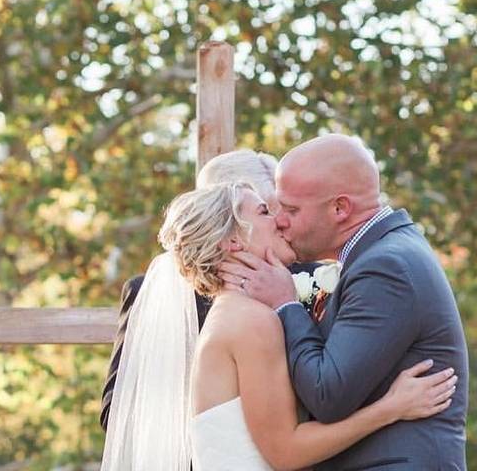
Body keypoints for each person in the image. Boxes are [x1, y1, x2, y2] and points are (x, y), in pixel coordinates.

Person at [101, 181, 457, 470]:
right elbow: (286, 452)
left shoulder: (236, 314)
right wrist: (390, 408)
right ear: (234, 240)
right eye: (264, 211)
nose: (280, 221)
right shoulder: (250, 322)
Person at [220, 134, 469, 470]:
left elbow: (328, 395)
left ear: (340, 208)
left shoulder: (386, 267)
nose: (280, 220)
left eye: (291, 209)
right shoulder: (382, 253)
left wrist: (286, 305)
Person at [99, 149, 316, 430]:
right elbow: (115, 412)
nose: (279, 222)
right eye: (265, 210)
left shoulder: (309, 279)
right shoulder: (149, 292)